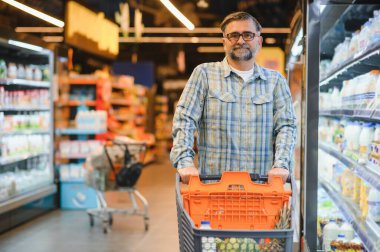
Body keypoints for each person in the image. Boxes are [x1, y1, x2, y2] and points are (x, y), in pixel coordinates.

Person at [170, 11, 297, 184]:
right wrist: (185, 161)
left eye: (248, 35)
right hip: (214, 190)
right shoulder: (204, 74)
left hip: (261, 190)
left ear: (259, 42)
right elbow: (184, 119)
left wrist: (281, 164)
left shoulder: (275, 81)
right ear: (224, 42)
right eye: (233, 35)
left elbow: (286, 126)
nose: (240, 40)